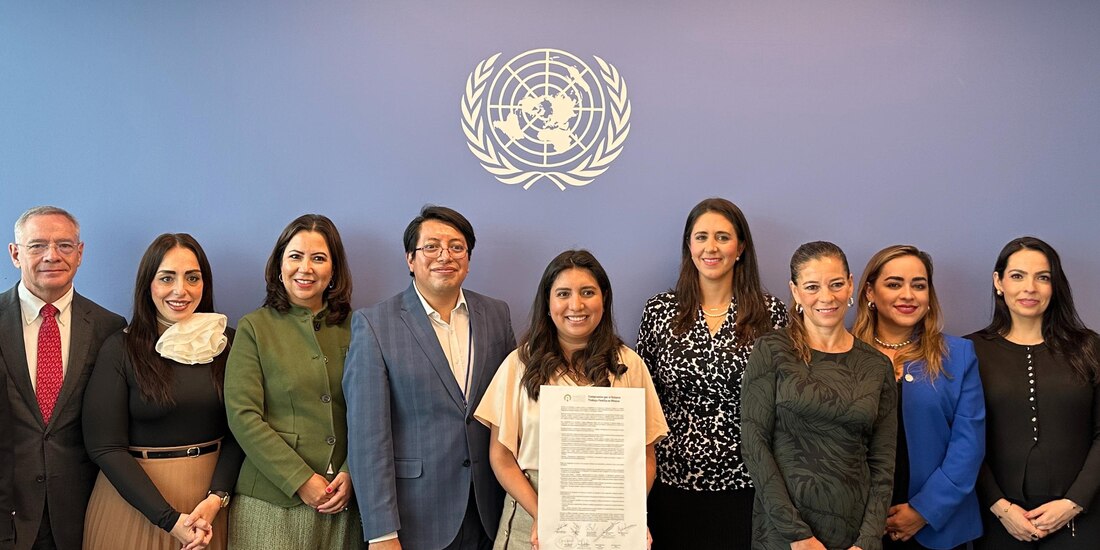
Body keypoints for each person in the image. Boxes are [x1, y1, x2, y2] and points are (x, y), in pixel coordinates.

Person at [345, 205, 516, 549]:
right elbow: (368, 439)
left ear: (468, 259)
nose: (445, 256)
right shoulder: (375, 324)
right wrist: (381, 533)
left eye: (456, 247)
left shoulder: (496, 315)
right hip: (416, 517)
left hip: (490, 510)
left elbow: (511, 409)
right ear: (410, 259)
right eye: (431, 247)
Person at [476, 249, 669, 549]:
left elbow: (646, 457)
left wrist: (628, 513)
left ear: (603, 298)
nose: (576, 305)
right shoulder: (519, 365)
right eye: (563, 293)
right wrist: (546, 516)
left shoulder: (629, 365)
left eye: (587, 292)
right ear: (548, 303)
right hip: (531, 514)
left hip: (608, 518)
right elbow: (501, 457)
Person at [635, 197, 787, 549]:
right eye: (701, 237)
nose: (711, 247)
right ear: (689, 246)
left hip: (747, 484)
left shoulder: (771, 314)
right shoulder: (660, 311)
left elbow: (782, 403)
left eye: (723, 236)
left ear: (741, 247)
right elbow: (642, 400)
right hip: (671, 484)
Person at [82, 233, 244, 549]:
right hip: (134, 507)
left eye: (192, 278)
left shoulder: (230, 344)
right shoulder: (121, 348)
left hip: (209, 510)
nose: (180, 290)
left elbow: (242, 430)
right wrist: (167, 519)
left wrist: (216, 498)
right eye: (166, 278)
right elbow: (104, 446)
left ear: (205, 285)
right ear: (148, 285)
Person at [742, 241, 897, 550]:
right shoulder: (772, 350)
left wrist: (867, 541)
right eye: (812, 286)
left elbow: (883, 464)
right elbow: (754, 445)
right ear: (796, 291)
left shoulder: (877, 365)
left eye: (836, 284)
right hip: (783, 532)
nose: (826, 297)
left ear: (851, 285)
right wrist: (796, 534)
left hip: (853, 533)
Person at [225, 214, 363, 549]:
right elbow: (243, 416)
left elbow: (370, 412)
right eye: (295, 256)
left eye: (319, 258)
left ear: (334, 271)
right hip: (273, 501)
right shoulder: (254, 327)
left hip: (343, 501)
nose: (306, 268)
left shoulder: (359, 327)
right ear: (278, 266)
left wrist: (351, 471)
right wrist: (300, 479)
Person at [0, 206, 126, 549]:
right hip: (7, 513)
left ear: (80, 253)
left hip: (82, 515)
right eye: (37, 245)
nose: (52, 256)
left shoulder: (109, 329)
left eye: (65, 245)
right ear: (15, 254)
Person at [967, 236, 1100, 549]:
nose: (1030, 288)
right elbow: (965, 440)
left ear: (1055, 286)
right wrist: (999, 506)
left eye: (1043, 277)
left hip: (1083, 517)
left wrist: (1074, 502)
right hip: (1000, 520)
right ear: (998, 282)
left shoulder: (1090, 348)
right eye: (1017, 276)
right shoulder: (968, 351)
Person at [852, 245, 985, 550]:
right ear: (870, 292)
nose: (908, 295)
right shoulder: (842, 353)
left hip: (936, 526)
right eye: (894, 284)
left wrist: (924, 511)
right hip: (858, 525)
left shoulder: (958, 355)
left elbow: (968, 445)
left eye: (919, 285)